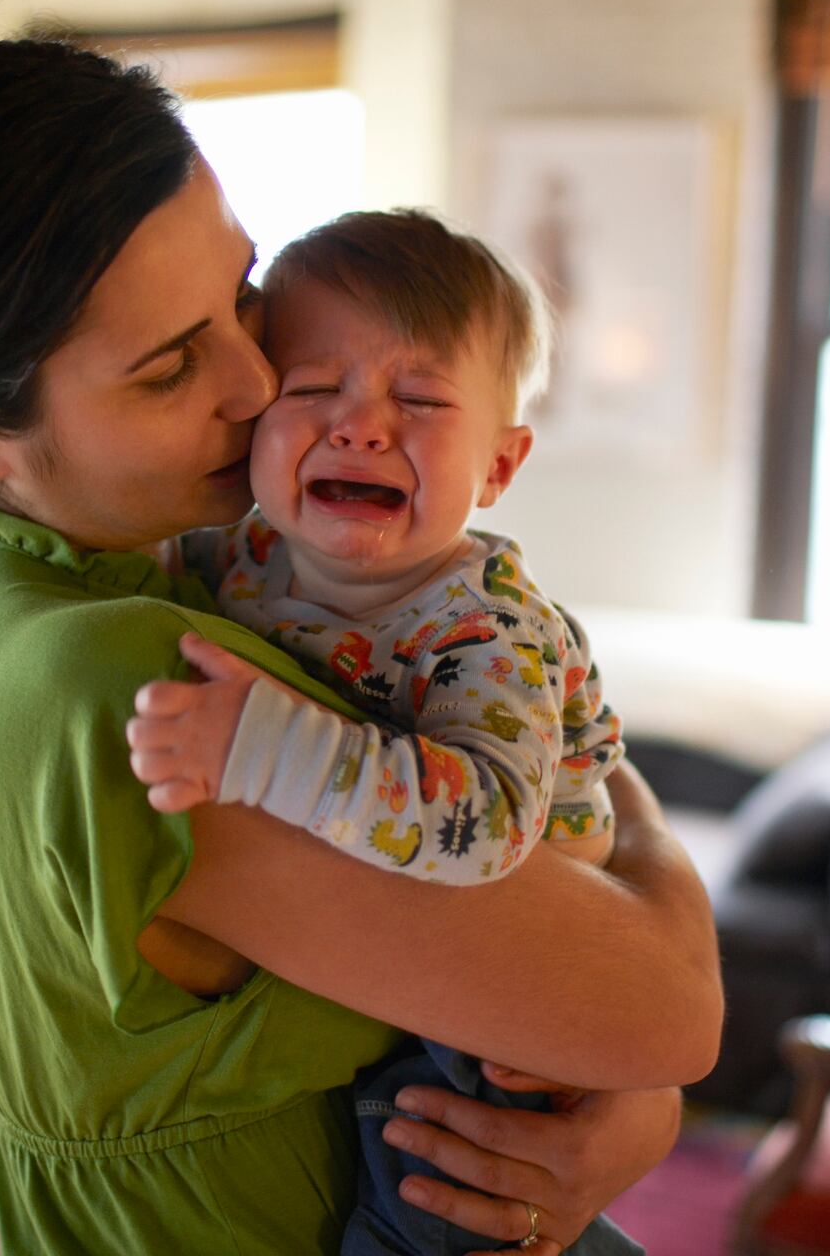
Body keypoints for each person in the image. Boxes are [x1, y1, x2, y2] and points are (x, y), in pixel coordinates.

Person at [0, 26, 723, 1255]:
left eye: (239, 296)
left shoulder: (90, 573)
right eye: (174, 363)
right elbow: (664, 1010)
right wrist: (640, 1019)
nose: (258, 382)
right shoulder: (141, 689)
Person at [126, 208, 640, 1255]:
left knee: (441, 1193)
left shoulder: (484, 630)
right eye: (311, 388)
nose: (361, 425)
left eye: (419, 398)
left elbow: (487, 827)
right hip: (368, 933)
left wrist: (264, 749)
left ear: (498, 468)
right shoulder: (239, 554)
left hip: (502, 980)